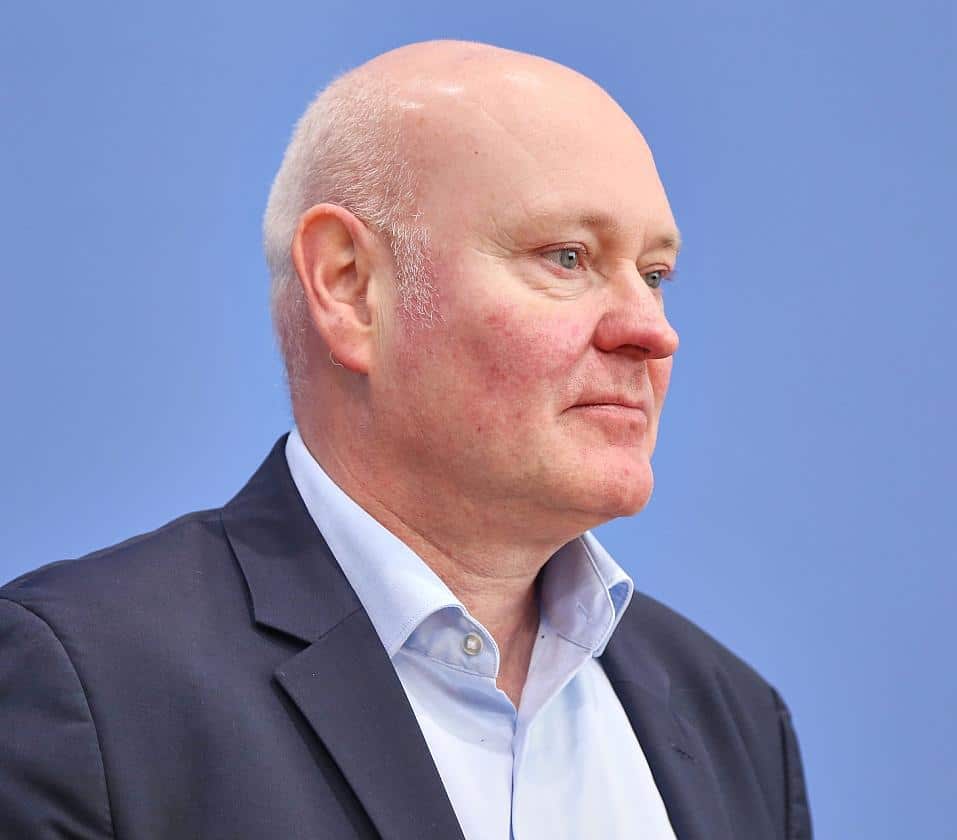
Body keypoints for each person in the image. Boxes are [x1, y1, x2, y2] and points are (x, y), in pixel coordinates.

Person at [0, 41, 812, 839]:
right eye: (568, 257)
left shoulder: (737, 724)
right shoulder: (89, 688)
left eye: (656, 275)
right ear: (351, 287)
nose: (651, 331)